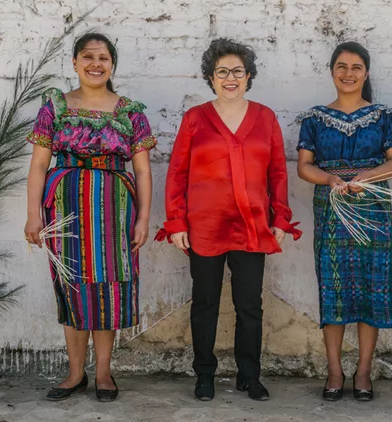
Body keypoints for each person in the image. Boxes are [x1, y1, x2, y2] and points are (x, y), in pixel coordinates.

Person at [157, 38, 301, 402]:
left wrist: (281, 219)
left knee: (250, 304)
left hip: (252, 226)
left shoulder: (265, 117)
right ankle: (204, 373)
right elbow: (177, 173)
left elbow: (278, 174)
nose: (230, 78)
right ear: (211, 77)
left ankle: (249, 375)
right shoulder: (195, 118)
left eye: (238, 71)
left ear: (249, 76)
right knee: (205, 302)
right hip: (204, 226)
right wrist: (176, 222)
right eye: (222, 72)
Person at [24, 33, 156, 402]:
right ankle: (74, 373)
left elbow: (143, 171)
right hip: (65, 210)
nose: (96, 64)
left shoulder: (130, 111)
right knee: (73, 285)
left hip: (115, 211)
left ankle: (103, 374)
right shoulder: (56, 107)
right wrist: (33, 215)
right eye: (88, 57)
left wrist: (144, 217)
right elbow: (38, 164)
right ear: (74, 63)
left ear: (112, 65)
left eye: (103, 58)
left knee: (108, 288)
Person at [296, 42, 392, 402]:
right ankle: (334, 370)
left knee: (372, 288)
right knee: (334, 287)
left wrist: (366, 177)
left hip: (372, 206)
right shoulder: (313, 118)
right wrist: (330, 180)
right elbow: (304, 166)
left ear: (366, 73)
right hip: (332, 207)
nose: (348, 73)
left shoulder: (384, 115)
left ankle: (363, 371)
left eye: (356, 67)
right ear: (332, 71)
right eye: (341, 66)